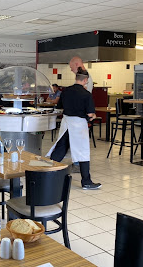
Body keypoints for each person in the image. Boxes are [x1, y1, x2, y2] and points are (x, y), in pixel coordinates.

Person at [46, 59, 101, 190]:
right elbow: (90, 113)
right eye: (86, 81)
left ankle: (47, 173)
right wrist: (93, 116)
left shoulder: (65, 91)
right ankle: (86, 181)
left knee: (61, 148)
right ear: (85, 80)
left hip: (66, 122)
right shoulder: (86, 94)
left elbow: (59, 107)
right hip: (79, 125)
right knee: (83, 152)